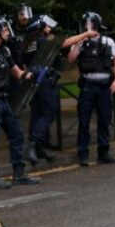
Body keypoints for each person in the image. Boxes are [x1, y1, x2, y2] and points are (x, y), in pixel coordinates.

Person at [22, 14, 99, 164]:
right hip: (44, 80)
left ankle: (38, 149)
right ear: (39, 27)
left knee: (37, 114)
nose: (50, 29)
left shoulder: (28, 43)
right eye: (47, 26)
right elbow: (65, 43)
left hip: (33, 81)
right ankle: (32, 144)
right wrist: (86, 34)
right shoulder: (43, 40)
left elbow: (24, 64)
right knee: (50, 111)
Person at [0, 16, 41, 189]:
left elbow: (18, 73)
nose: (7, 31)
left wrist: (31, 73)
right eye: (3, 29)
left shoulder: (4, 52)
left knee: (17, 134)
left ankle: (19, 175)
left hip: (4, 101)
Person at [67, 11, 115, 166]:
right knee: (84, 120)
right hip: (87, 87)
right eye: (85, 24)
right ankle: (83, 154)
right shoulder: (80, 41)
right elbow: (71, 59)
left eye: (89, 24)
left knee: (104, 119)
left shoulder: (108, 41)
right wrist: (81, 40)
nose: (86, 26)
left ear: (96, 25)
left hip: (104, 87)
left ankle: (103, 153)